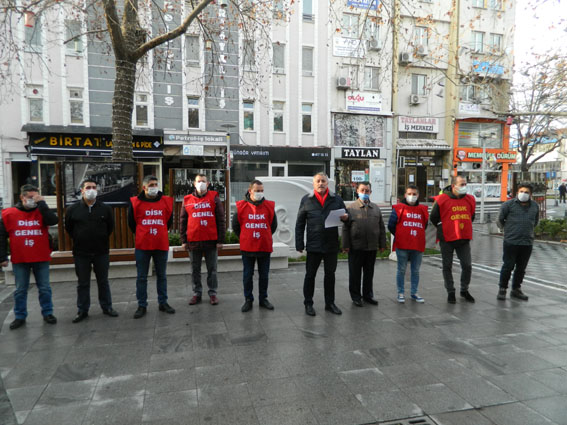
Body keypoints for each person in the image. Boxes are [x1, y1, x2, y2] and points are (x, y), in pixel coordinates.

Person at [0, 184, 58, 330]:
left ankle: (48, 313)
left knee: (44, 288)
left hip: (41, 256)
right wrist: (2, 257)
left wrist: (42, 203)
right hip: (21, 258)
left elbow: (53, 220)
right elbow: (1, 236)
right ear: (22, 197)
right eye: (30, 197)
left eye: (35, 197)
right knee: (20, 289)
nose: (33, 200)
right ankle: (19, 315)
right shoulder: (9, 214)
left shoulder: (42, 211)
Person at [65, 179, 119, 323]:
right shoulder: (73, 209)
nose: (91, 190)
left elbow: (110, 228)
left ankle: (107, 307)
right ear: (82, 190)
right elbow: (69, 228)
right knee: (83, 283)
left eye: (94, 187)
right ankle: (82, 310)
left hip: (101, 251)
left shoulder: (105, 208)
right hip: (81, 253)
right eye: (88, 187)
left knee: (103, 281)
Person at [295, 172, 348, 316]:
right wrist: (299, 244)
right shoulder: (306, 200)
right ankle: (308, 303)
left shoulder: (336, 199)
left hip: (331, 244)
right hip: (314, 244)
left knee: (330, 275)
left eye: (323, 181)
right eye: (318, 181)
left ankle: (330, 303)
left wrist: (345, 217)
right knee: (310, 275)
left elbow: (346, 216)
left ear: (327, 183)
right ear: (313, 184)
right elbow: (300, 223)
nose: (320, 183)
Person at [128, 175, 175, 318]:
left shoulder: (166, 201)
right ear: (144, 187)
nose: (154, 187)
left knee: (162, 275)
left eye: (156, 184)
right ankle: (142, 305)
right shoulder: (135, 203)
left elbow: (169, 222)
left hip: (160, 244)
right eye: (151, 184)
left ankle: (163, 302)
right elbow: (132, 223)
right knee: (142, 277)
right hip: (143, 245)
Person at [232, 180, 278, 312]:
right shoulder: (242, 207)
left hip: (264, 246)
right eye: (257, 190)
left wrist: (263, 234)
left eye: (262, 190)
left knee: (264, 275)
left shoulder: (269, 206)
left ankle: (263, 299)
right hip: (248, 248)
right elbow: (236, 226)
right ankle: (248, 299)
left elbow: (273, 226)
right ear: (250, 190)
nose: (260, 193)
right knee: (247, 275)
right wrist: (246, 236)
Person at [430, 175, 476, 304]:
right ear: (453, 186)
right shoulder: (442, 199)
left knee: (467, 265)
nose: (464, 187)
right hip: (447, 238)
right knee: (447, 265)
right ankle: (450, 291)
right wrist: (444, 227)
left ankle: (464, 289)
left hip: (463, 238)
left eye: (465, 184)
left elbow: (471, 216)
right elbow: (434, 217)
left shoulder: (470, 199)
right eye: (461, 184)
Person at [181, 174, 226, 306]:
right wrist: (183, 240)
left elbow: (221, 220)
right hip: (193, 241)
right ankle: (197, 293)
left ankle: (212, 293)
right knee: (195, 270)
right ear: (194, 184)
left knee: (212, 269)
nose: (201, 183)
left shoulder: (214, 198)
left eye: (203, 181)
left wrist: (220, 240)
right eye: (198, 181)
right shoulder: (187, 200)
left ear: (208, 183)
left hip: (211, 241)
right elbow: (183, 221)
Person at [342, 182, 385, 307]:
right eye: (362, 190)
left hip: (371, 247)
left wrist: (382, 244)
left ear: (370, 192)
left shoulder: (376, 208)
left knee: (369, 273)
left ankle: (368, 295)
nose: (365, 193)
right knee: (355, 274)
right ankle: (356, 296)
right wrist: (345, 245)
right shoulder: (351, 208)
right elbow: (345, 228)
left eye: (367, 191)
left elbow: (381, 227)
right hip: (356, 246)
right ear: (357, 191)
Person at [497, 183, 539, 301]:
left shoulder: (535, 206)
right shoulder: (508, 205)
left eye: (526, 192)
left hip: (527, 242)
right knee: (508, 266)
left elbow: (535, 221)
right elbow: (500, 220)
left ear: (530, 194)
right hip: (511, 241)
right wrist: (507, 231)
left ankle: (516, 289)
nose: (523, 194)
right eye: (521, 191)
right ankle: (502, 289)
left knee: (521, 268)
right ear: (517, 193)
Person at [388, 185, 429, 303]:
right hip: (403, 245)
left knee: (415, 270)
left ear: (418, 195)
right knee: (401, 269)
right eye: (410, 194)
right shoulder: (398, 208)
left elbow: (424, 225)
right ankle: (400, 293)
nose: (412, 196)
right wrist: (401, 235)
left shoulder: (423, 209)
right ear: (405, 195)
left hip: (417, 245)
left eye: (414, 194)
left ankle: (414, 292)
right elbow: (391, 225)